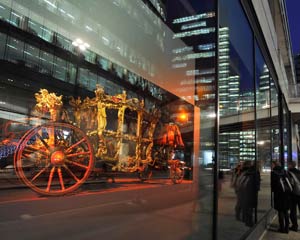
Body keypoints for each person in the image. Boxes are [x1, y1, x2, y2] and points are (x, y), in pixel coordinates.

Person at [236, 161, 260, 227]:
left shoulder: (245, 172)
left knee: (245, 206)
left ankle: (245, 220)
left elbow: (238, 181)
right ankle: (248, 221)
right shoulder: (254, 172)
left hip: (243, 191)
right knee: (249, 207)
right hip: (250, 192)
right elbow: (257, 184)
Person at [271, 161, 292, 233]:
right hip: (286, 193)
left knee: (280, 211)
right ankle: (287, 228)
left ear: (274, 165)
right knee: (286, 211)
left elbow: (273, 186)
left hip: (278, 194)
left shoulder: (273, 173)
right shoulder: (285, 171)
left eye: (272, 164)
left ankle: (282, 228)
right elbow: (289, 181)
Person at [287, 161, 300, 231]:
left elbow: (290, 184)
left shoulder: (289, 173)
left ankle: (295, 226)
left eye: (288, 164)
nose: (287, 165)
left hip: (293, 194)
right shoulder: (299, 172)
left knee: (293, 211)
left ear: (291, 165)